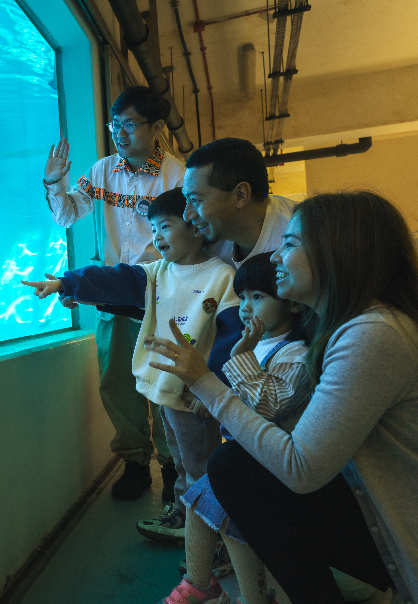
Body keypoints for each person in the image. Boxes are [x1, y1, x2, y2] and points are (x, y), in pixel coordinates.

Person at [145, 192, 418, 604]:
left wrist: (205, 382)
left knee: (233, 467)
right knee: (231, 469)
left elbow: (300, 466)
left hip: (399, 530)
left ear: (337, 252)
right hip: (368, 506)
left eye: (289, 245)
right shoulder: (348, 328)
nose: (275, 259)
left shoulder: (371, 334)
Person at [23, 189, 243, 554]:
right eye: (153, 228)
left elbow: (230, 338)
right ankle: (188, 520)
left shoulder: (221, 277)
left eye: (166, 226)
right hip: (164, 391)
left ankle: (215, 537)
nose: (156, 237)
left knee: (201, 466)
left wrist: (215, 389)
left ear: (197, 227)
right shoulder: (158, 272)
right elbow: (116, 280)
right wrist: (68, 283)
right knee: (181, 462)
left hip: (194, 396)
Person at [43, 86, 185, 503]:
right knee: (118, 380)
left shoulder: (177, 176)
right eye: (114, 124)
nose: (120, 133)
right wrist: (55, 181)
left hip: (162, 293)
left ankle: (173, 467)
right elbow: (67, 213)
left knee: (164, 380)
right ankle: (134, 462)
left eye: (129, 124)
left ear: (157, 127)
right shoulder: (104, 170)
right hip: (111, 292)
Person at [161, 253, 308, 604]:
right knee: (199, 500)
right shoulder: (261, 345)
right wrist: (213, 397)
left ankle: (254, 598)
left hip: (274, 462)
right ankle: (199, 585)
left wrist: (241, 355)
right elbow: (241, 395)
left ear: (295, 304)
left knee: (228, 513)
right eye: (242, 297)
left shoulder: (296, 353)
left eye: (258, 297)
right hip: (246, 456)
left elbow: (268, 406)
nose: (245, 306)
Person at [181, 138, 296, 269]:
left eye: (196, 200)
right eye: (187, 200)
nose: (187, 215)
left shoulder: (304, 237)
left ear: (241, 195)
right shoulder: (203, 243)